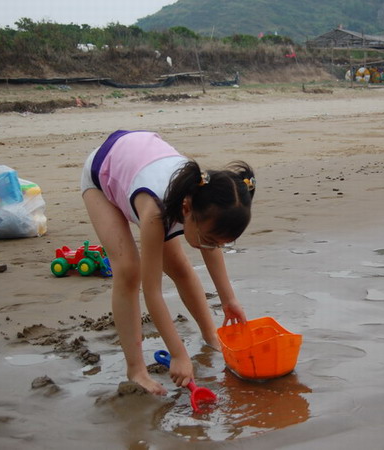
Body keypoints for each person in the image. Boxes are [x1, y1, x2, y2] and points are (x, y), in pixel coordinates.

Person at [80, 130, 255, 395]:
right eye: (208, 239)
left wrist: (229, 301)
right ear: (186, 210)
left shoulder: (206, 200)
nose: (211, 248)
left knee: (180, 267)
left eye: (219, 243)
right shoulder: (155, 213)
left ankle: (211, 337)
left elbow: (211, 247)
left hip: (139, 162)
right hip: (102, 174)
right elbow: (152, 292)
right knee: (129, 270)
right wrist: (179, 354)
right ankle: (136, 370)